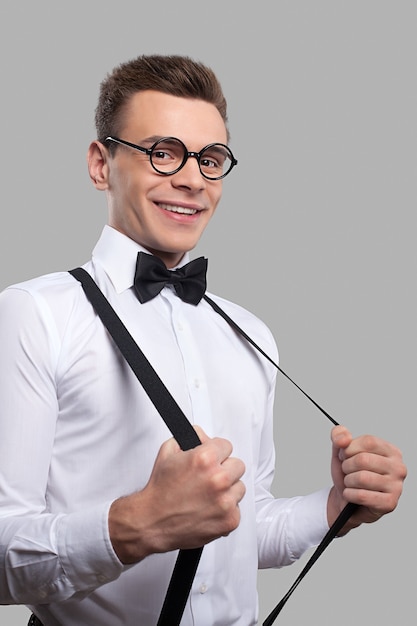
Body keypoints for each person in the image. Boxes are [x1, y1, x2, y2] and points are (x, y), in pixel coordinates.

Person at [0, 54, 406, 626]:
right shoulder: (33, 314)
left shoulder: (250, 334)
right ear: (101, 164)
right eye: (163, 152)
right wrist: (137, 523)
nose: (191, 178)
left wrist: (336, 505)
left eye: (210, 159)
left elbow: (245, 529)